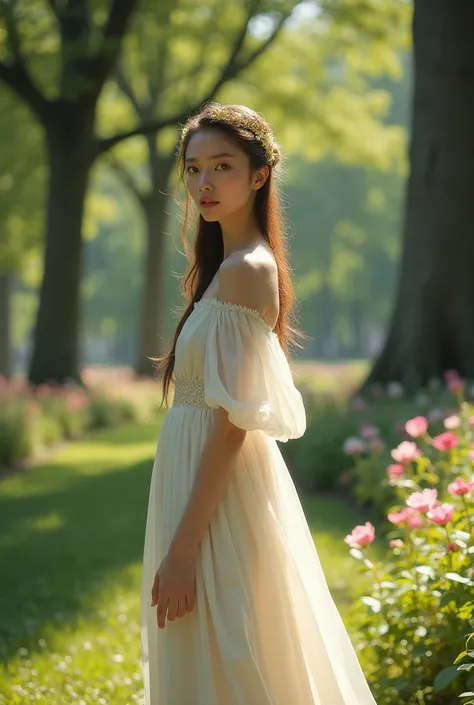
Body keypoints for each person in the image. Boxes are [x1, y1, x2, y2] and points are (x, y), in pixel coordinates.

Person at [140, 102, 377, 705]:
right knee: (213, 644)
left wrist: (185, 546)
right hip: (192, 473)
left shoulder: (248, 270)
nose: (204, 184)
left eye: (222, 166)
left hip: (218, 485)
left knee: (236, 646)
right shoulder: (221, 269)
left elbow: (232, 427)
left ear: (258, 175)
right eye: (193, 169)